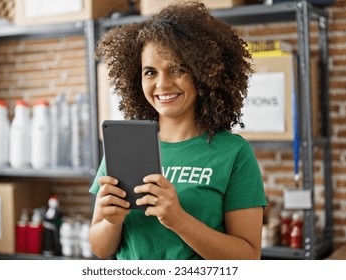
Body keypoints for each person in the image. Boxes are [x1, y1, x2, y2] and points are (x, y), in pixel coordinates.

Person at [89, 0, 267, 260]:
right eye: (150, 72)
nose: (162, 84)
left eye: (177, 69)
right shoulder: (126, 147)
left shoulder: (234, 154)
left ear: (203, 74)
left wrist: (178, 220)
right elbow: (99, 247)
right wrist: (112, 221)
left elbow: (248, 257)